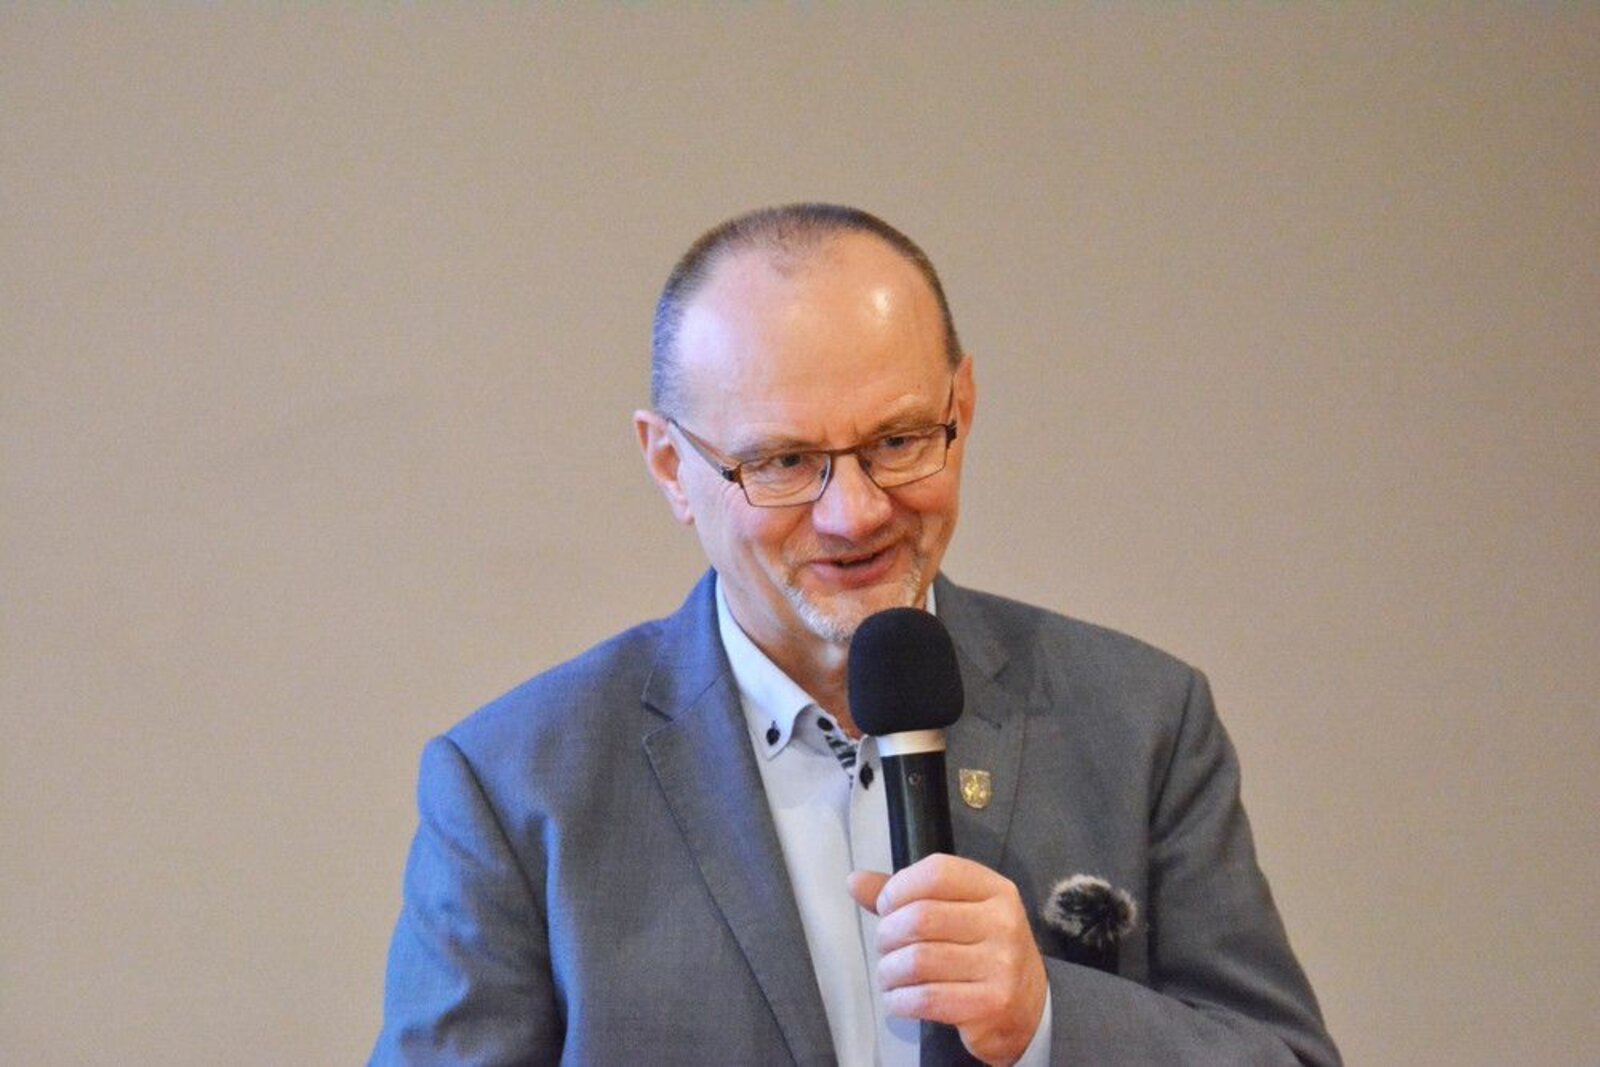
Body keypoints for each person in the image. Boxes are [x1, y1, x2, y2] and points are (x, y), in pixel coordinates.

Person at [372, 204, 1341, 1066]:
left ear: (962, 407)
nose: (856, 512)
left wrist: (1048, 1021)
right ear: (670, 464)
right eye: (784, 462)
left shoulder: (1140, 719)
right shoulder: (517, 782)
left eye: (898, 441)